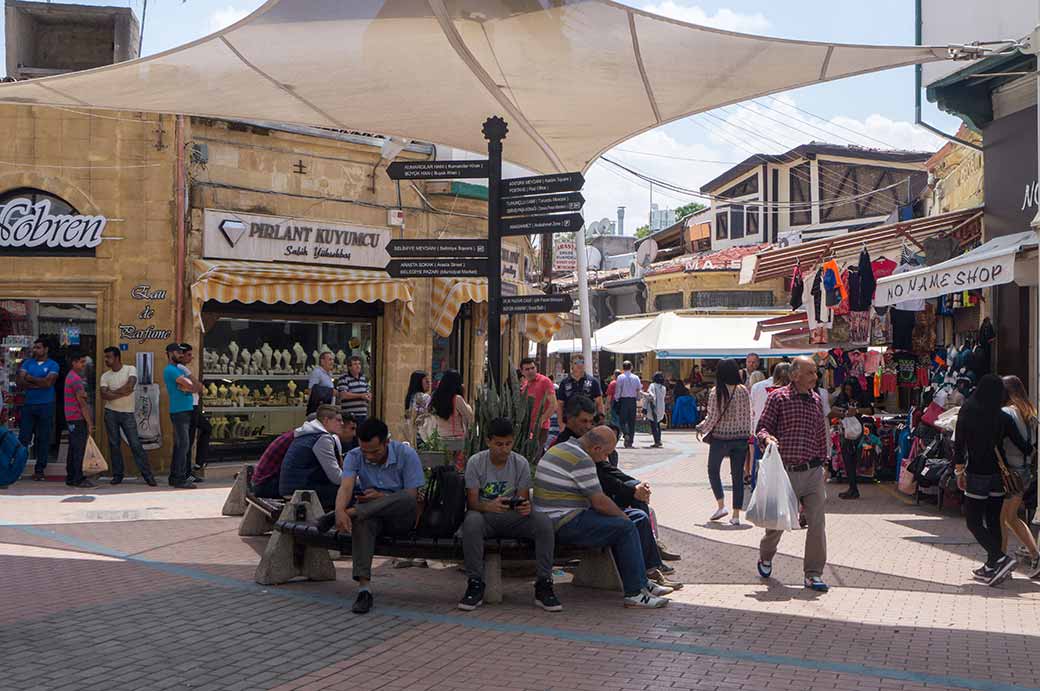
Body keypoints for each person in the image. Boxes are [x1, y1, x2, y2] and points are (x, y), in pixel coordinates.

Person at [534, 426, 672, 608]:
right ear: (596, 448)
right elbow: (599, 501)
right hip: (564, 522)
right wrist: (623, 517)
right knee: (626, 527)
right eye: (607, 453)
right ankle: (635, 592)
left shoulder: (566, 447)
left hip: (572, 513)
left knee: (638, 517)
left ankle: (642, 580)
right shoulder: (581, 459)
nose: (606, 458)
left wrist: (624, 516)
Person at [459, 417, 561, 612]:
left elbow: (522, 498)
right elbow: (472, 502)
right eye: (498, 444)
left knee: (543, 522)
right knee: (471, 522)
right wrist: (488, 506)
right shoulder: (476, 462)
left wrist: (524, 507)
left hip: (512, 517)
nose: (504, 449)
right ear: (488, 441)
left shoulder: (520, 462)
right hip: (485, 517)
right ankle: (475, 583)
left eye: (508, 444)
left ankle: (544, 584)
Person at [335, 417, 425, 614]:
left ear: (387, 443)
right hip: (374, 515)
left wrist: (383, 497)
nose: (369, 457)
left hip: (402, 517)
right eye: (365, 451)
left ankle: (355, 511)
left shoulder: (406, 454)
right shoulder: (354, 455)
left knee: (405, 500)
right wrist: (340, 510)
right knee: (362, 520)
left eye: (375, 452)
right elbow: (346, 486)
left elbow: (411, 496)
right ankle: (364, 589)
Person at [756, 356, 830, 592]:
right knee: (777, 525)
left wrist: (824, 464)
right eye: (810, 373)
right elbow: (762, 427)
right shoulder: (778, 397)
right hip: (785, 472)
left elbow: (820, 434)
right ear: (795, 375)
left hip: (812, 471)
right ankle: (766, 556)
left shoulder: (816, 400)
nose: (815, 377)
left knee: (817, 524)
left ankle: (813, 574)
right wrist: (767, 438)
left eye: (815, 373)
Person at [954, 374, 1033, 586]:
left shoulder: (968, 410)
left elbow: (959, 444)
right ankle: (991, 566)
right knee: (993, 521)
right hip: (999, 476)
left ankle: (1000, 558)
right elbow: (1024, 445)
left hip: (977, 474)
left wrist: (959, 472)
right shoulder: (1002, 416)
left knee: (973, 521)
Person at [697, 359, 752, 526]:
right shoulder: (743, 390)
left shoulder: (716, 391)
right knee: (737, 476)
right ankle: (736, 515)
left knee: (713, 470)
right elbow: (749, 414)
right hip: (741, 438)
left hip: (721, 439)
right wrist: (747, 434)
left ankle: (721, 506)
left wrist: (700, 427)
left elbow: (712, 417)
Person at [254, 412, 357, 500]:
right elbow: (334, 476)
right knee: (346, 493)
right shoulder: (315, 439)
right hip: (268, 485)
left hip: (264, 482)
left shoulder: (301, 435)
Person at [1000, 375, 1039, 576]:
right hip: (1024, 471)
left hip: (1009, 473)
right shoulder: (1030, 411)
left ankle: (1000, 561)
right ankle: (1035, 555)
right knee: (1011, 517)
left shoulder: (1006, 413)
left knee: (1002, 518)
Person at [99, 346, 155, 486]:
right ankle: (118, 475)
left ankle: (148, 475)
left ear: (117, 357)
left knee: (135, 444)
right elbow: (103, 395)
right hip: (110, 413)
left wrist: (112, 394)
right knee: (114, 445)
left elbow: (130, 387)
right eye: (105, 357)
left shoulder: (130, 369)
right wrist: (122, 392)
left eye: (109, 357)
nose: (106, 360)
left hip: (127, 413)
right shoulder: (105, 376)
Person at [279, 404, 344, 510]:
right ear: (326, 420)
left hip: (290, 489)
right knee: (353, 493)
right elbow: (336, 477)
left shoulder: (306, 434)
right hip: (303, 492)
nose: (342, 424)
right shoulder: (322, 439)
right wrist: (360, 480)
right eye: (338, 420)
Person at [17, 337, 59, 481]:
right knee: (24, 438)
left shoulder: (53, 364)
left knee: (43, 438)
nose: (35, 350)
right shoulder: (27, 363)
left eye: (39, 347)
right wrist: (39, 382)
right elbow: (21, 382)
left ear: (46, 349)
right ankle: (18, 469)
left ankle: (40, 470)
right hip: (29, 405)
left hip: (46, 405)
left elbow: (49, 383)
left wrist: (30, 378)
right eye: (34, 348)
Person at [162, 343, 197, 489]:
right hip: (179, 411)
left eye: (181, 352)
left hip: (183, 410)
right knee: (183, 445)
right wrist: (189, 387)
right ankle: (180, 478)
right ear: (170, 353)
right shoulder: (171, 370)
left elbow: (190, 386)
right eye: (178, 352)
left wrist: (188, 387)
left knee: (180, 445)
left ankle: (174, 477)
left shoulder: (176, 369)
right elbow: (190, 385)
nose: (181, 355)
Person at [178, 343, 210, 482]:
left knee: (206, 429)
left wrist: (196, 387)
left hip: (194, 406)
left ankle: (197, 464)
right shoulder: (180, 368)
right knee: (188, 440)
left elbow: (198, 387)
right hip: (190, 407)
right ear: (182, 354)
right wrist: (196, 387)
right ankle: (187, 471)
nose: (191, 357)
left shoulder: (184, 368)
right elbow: (196, 387)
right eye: (189, 354)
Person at [63, 351, 94, 488]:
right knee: (79, 449)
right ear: (74, 363)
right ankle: (78, 478)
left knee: (73, 448)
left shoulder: (70, 377)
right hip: (77, 417)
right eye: (81, 362)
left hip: (71, 417)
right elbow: (82, 404)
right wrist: (89, 423)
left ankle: (71, 477)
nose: (83, 365)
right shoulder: (76, 380)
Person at [519, 357, 556, 454]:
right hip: (526, 427)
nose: (530, 371)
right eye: (527, 369)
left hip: (541, 427)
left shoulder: (545, 381)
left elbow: (553, 404)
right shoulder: (525, 385)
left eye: (532, 368)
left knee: (537, 455)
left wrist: (542, 420)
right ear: (522, 372)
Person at [428, 369, 473, 441]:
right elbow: (469, 415)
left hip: (440, 437)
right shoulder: (457, 399)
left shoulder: (435, 397)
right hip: (455, 437)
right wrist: (464, 396)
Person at [556, 355, 603, 422]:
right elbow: (560, 404)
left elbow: (599, 402)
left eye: (582, 362)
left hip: (588, 422)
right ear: (571, 364)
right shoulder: (564, 383)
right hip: (570, 422)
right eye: (576, 363)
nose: (579, 365)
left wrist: (600, 421)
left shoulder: (593, 381)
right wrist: (560, 423)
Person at [614, 361, 642, 449]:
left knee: (622, 420)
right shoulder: (636, 377)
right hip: (632, 401)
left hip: (623, 400)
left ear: (623, 368)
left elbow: (618, 390)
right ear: (631, 367)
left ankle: (625, 433)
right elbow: (638, 390)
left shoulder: (620, 377)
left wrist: (616, 398)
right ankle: (630, 442)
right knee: (632, 422)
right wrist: (638, 398)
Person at [336, 355, 370, 424]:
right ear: (349, 367)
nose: (358, 366)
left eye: (359, 364)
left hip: (363, 415)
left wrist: (368, 397)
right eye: (355, 364)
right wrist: (361, 396)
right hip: (350, 416)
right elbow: (343, 395)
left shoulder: (363, 378)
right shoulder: (344, 378)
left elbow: (367, 393)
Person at [403, 370, 431, 444]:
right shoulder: (425, 397)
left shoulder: (409, 397)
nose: (429, 384)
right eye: (427, 382)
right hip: (422, 435)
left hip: (410, 434)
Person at [642, 372, 666, 449]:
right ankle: (658, 440)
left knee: (654, 425)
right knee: (658, 424)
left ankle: (656, 441)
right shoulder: (663, 388)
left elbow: (650, 396)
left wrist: (642, 393)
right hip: (661, 408)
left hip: (653, 408)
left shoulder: (652, 386)